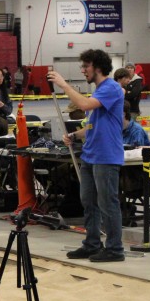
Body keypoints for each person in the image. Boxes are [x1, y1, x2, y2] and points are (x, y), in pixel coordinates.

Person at [48, 49, 125, 263]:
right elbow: (91, 125)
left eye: (86, 66)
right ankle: (92, 243)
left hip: (106, 156)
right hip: (90, 155)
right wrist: (74, 135)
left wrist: (64, 85)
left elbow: (84, 105)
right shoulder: (99, 91)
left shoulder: (111, 88)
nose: (83, 70)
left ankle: (115, 248)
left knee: (107, 203)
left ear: (98, 67)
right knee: (88, 202)